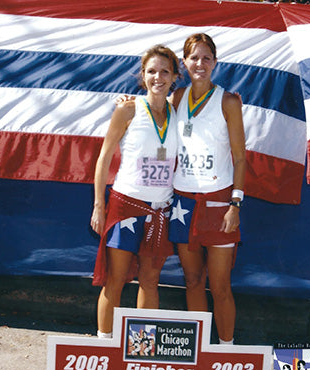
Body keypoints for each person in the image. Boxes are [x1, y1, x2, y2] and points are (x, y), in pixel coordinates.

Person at [90, 45, 180, 338]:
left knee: (151, 281)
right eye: (151, 71)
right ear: (142, 75)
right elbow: (103, 158)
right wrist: (98, 206)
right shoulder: (128, 108)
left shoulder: (179, 111)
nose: (158, 77)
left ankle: (143, 348)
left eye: (165, 71)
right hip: (126, 205)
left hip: (160, 208)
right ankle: (103, 348)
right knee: (115, 280)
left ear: (175, 76)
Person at [168, 33, 246, 345]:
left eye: (206, 58)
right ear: (184, 63)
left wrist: (235, 204)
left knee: (221, 284)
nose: (200, 63)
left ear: (215, 62)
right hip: (183, 203)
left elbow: (240, 158)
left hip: (219, 202)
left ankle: (225, 350)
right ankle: (198, 349)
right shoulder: (177, 98)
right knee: (192, 280)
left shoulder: (228, 101)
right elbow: (150, 114)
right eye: (194, 58)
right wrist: (127, 102)